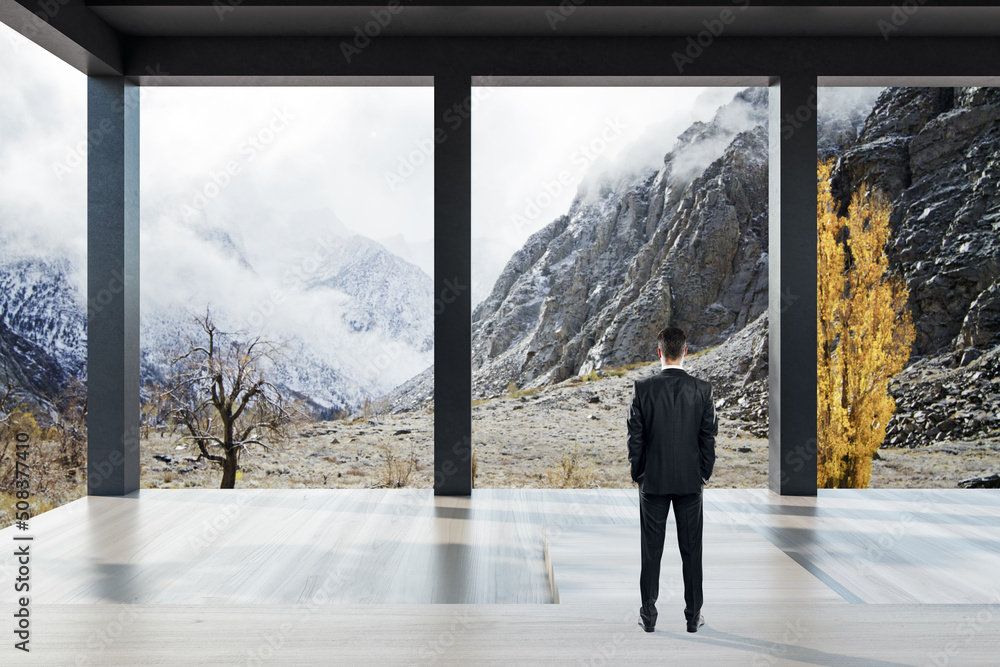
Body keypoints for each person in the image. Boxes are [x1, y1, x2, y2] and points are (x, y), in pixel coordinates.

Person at [627, 326, 717, 633]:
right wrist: (703, 472)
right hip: (691, 482)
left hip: (652, 482)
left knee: (651, 551)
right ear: (685, 352)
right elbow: (708, 437)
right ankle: (694, 617)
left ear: (659, 352)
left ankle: (648, 618)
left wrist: (638, 473)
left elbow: (635, 439)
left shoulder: (642, 388)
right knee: (692, 551)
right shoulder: (703, 389)